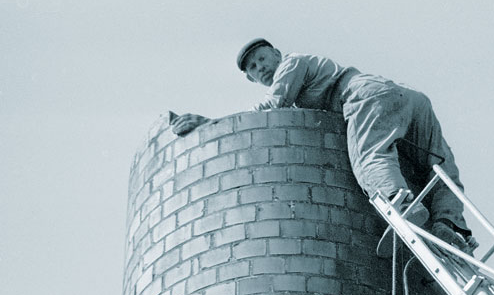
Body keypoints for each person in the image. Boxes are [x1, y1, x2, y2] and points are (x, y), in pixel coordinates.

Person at [172, 38, 476, 256]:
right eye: (253, 67)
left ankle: (400, 204)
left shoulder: (292, 64)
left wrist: (213, 124)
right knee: (438, 167)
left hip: (364, 96)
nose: (260, 67)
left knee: (369, 158)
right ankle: (450, 225)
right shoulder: (301, 71)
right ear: (251, 78)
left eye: (263, 58)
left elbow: (272, 106)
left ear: (277, 54)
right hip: (408, 98)